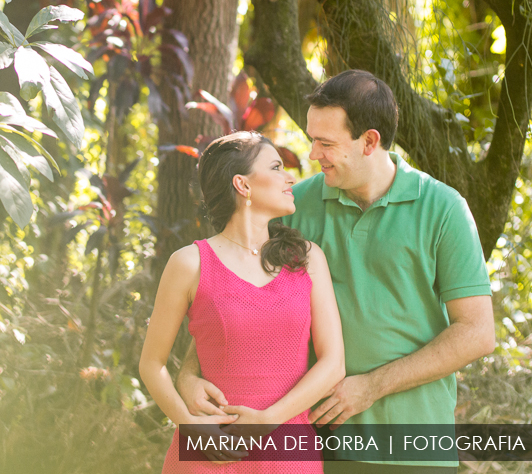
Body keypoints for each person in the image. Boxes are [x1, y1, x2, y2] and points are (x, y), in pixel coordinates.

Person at [177, 70, 496, 473]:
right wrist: (189, 374)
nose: (312, 154)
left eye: (326, 143)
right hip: (316, 444)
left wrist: (370, 387)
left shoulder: (443, 209)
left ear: (370, 141)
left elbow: (477, 332)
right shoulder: (296, 205)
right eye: (312, 139)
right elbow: (231, 293)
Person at [139, 131, 346, 473]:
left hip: (289, 456)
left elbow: (334, 363)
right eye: (276, 167)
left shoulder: (307, 259)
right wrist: (189, 426)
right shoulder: (189, 263)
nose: (288, 177)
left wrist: (267, 420)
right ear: (243, 185)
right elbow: (152, 364)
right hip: (210, 455)